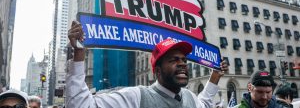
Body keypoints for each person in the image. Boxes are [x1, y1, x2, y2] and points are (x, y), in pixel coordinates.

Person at [66, 21, 228, 108]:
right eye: (173, 60)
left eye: (184, 60)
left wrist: (215, 76)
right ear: (157, 71)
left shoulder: (190, 98)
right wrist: (79, 54)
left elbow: (205, 103)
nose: (182, 64)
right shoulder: (137, 97)